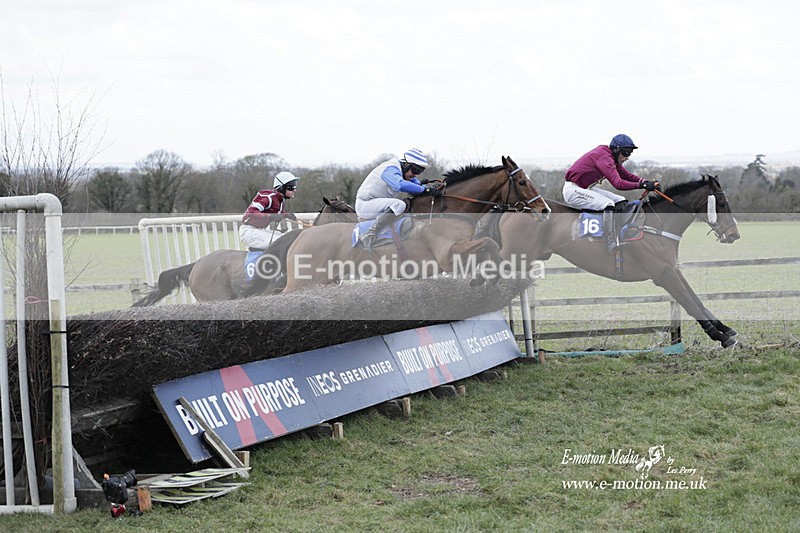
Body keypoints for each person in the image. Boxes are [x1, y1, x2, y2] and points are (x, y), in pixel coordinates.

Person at [562, 134, 660, 250]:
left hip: (585, 188)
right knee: (608, 204)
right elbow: (618, 184)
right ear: (617, 149)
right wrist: (642, 185)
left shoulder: (611, 156)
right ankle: (611, 242)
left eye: (629, 153)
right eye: (626, 153)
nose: (627, 157)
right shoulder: (604, 158)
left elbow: (626, 175)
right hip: (573, 190)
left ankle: (620, 234)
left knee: (621, 201)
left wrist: (645, 182)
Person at [355, 148, 442, 252]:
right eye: (415, 170)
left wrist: (431, 188)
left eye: (419, 172)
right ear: (406, 164)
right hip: (365, 205)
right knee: (399, 205)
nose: (415, 174)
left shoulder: (402, 171)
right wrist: (426, 189)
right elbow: (399, 185)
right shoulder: (390, 168)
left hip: (375, 204)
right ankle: (371, 233)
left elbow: (415, 184)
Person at [239, 171, 300, 251]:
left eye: (295, 187)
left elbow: (276, 212)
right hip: (249, 232)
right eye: (291, 188)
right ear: (282, 188)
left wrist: (286, 215)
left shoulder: (280, 200)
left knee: (287, 238)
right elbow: (251, 212)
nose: (294, 190)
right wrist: (270, 216)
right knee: (281, 243)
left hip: (259, 231)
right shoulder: (268, 197)